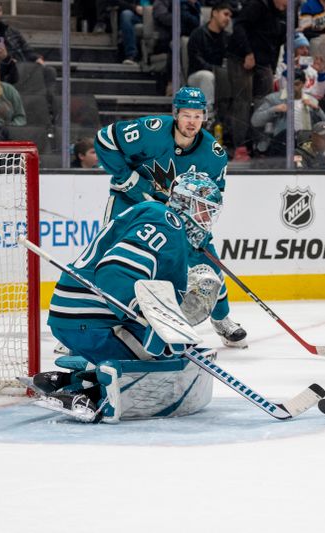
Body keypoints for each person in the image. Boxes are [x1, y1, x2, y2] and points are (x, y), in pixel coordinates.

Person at [30, 172, 224, 423]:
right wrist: (153, 321)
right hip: (91, 318)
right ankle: (90, 394)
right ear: (185, 203)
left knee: (166, 348)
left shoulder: (157, 216)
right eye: (204, 210)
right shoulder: (167, 222)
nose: (207, 219)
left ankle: (69, 380)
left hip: (78, 315)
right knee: (163, 354)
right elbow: (115, 272)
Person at [94, 87, 247, 348]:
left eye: (198, 116)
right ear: (175, 113)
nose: (192, 122)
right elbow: (105, 140)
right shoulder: (151, 130)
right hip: (131, 202)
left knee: (209, 265)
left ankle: (222, 319)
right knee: (105, 255)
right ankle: (93, 320)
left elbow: (213, 195)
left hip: (181, 215)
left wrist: (197, 220)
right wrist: (126, 178)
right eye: (187, 115)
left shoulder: (213, 154)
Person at [227, 0, 288, 162]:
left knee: (265, 101)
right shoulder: (257, 5)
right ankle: (239, 146)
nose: (288, 3)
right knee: (243, 100)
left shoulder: (285, 14)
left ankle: (260, 145)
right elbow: (239, 27)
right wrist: (247, 52)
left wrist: (272, 69)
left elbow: (277, 44)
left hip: (264, 60)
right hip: (242, 57)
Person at [186, 2, 232, 124]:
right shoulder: (198, 34)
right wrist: (217, 71)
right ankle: (207, 115)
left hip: (220, 75)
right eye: (225, 14)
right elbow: (196, 60)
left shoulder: (228, 38)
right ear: (215, 13)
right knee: (207, 76)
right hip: (197, 75)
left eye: (230, 16)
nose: (228, 19)